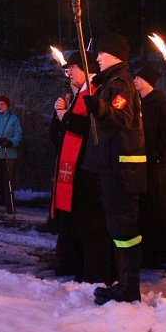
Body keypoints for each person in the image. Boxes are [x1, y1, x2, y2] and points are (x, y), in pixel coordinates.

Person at [82, 33, 147, 305]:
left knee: (124, 230)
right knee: (119, 230)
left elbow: (121, 117)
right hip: (113, 168)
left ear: (116, 56)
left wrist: (99, 107)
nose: (96, 58)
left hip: (122, 171)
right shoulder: (112, 82)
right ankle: (125, 283)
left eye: (101, 53)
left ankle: (129, 287)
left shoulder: (120, 84)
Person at [51, 51, 115, 284]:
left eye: (72, 68)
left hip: (89, 170)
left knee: (91, 223)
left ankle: (94, 273)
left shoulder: (96, 92)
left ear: (86, 69)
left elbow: (93, 130)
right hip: (74, 168)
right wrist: (60, 114)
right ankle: (75, 265)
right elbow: (59, 132)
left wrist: (65, 116)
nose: (68, 73)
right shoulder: (78, 93)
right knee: (76, 222)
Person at [133, 65, 166, 265]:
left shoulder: (161, 105)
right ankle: (146, 246)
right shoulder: (138, 104)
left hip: (156, 164)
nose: (134, 81)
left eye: (137, 77)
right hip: (142, 163)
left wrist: (156, 156)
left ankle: (161, 248)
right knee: (145, 207)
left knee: (158, 206)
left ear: (146, 81)